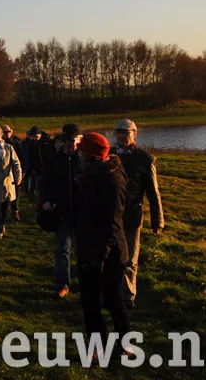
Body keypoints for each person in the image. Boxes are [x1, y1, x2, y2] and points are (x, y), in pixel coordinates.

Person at [75, 132, 131, 358]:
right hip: (89, 248)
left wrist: (100, 257)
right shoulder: (91, 175)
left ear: (90, 155)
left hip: (110, 251)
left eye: (81, 151)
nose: (78, 154)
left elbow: (112, 223)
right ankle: (98, 347)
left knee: (113, 299)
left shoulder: (112, 180)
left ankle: (125, 345)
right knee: (89, 301)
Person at [113, 119, 164, 309]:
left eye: (126, 133)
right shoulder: (109, 155)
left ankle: (128, 295)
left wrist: (157, 219)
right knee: (110, 256)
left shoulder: (146, 159)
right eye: (118, 132)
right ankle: (111, 291)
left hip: (132, 215)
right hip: (110, 215)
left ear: (135, 134)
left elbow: (154, 192)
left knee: (130, 258)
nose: (121, 136)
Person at [41, 124, 83, 298]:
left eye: (72, 141)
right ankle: (62, 283)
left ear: (79, 140)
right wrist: (47, 201)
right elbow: (45, 183)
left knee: (84, 250)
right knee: (62, 249)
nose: (69, 145)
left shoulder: (85, 159)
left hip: (83, 212)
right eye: (66, 141)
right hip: (62, 212)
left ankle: (86, 283)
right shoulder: (54, 159)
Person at [2, 125, 24, 220]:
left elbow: (22, 156)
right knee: (4, 192)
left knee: (17, 192)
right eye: (5, 132)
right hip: (4, 172)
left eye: (9, 131)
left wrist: (22, 170)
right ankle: (5, 211)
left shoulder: (16, 142)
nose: (7, 133)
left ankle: (15, 211)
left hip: (15, 170)